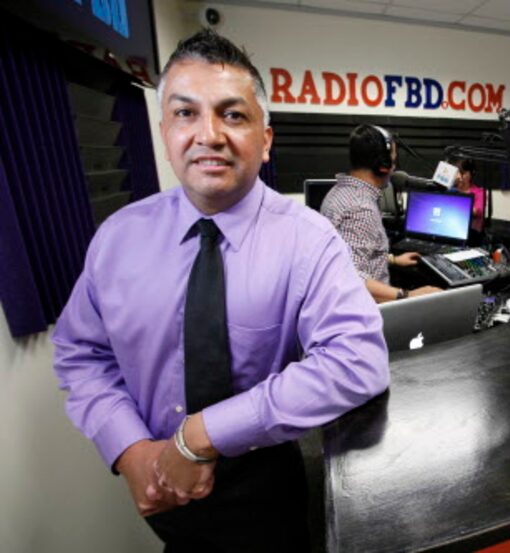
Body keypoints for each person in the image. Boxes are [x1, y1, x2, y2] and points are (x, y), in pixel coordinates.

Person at [51, 29, 389, 552]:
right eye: (186, 113)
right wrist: (129, 449)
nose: (208, 134)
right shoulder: (117, 239)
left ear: (266, 138)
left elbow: (356, 361)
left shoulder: (307, 238)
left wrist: (200, 436)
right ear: (164, 130)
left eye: (233, 115)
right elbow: (81, 354)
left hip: (267, 494)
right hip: (156, 485)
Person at [321, 124, 441, 303]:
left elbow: (351, 254)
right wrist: (407, 296)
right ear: (383, 165)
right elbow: (350, 278)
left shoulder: (340, 192)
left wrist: (392, 259)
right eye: (393, 160)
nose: (394, 168)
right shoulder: (361, 209)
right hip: (367, 313)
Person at [450, 157, 486, 233]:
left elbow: (477, 211)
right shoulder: (450, 189)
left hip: (470, 231)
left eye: (463, 173)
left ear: (471, 174)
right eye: (457, 172)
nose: (459, 176)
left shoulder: (479, 192)